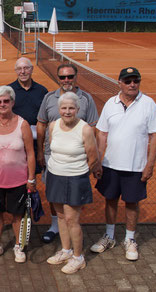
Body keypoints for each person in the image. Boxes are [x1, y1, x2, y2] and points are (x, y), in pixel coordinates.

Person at [91, 67, 156, 261]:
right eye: (128, 81)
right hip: (110, 164)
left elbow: (155, 136)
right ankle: (109, 236)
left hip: (136, 166)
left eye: (136, 81)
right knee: (110, 200)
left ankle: (130, 239)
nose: (132, 84)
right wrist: (98, 161)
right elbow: (102, 134)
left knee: (132, 203)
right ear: (120, 83)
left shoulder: (148, 104)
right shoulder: (110, 103)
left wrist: (150, 164)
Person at [36, 63, 99, 243]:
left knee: (72, 203)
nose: (66, 80)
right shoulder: (49, 98)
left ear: (76, 77)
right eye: (63, 77)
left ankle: (73, 228)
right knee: (54, 193)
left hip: (77, 157)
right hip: (52, 155)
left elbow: (93, 129)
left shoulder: (86, 99)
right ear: (58, 78)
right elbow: (41, 124)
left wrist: (92, 162)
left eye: (70, 76)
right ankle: (56, 225)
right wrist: (41, 152)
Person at [0, 86, 36, 263]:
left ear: (12, 102)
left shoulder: (23, 124)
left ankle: (18, 246)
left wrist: (31, 179)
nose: (2, 104)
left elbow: (31, 154)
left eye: (6, 101)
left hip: (18, 181)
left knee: (17, 215)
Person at [44, 92, 99, 274]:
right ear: (59, 109)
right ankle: (66, 251)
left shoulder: (85, 129)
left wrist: (77, 173)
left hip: (76, 178)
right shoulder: (52, 126)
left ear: (77, 109)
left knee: (71, 219)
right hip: (55, 176)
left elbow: (93, 158)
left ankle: (78, 258)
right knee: (60, 216)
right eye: (64, 108)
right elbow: (54, 149)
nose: (67, 111)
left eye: (71, 108)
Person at [7, 57, 47, 174]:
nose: (23, 72)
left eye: (26, 68)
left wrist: (40, 150)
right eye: (19, 69)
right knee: (15, 172)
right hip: (14, 141)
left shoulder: (42, 91)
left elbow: (44, 119)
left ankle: (31, 192)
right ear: (15, 71)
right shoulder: (9, 90)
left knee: (33, 172)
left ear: (32, 69)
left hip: (35, 142)